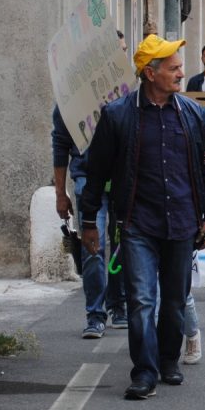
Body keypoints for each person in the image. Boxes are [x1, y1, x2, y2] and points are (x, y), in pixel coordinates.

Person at [79, 36, 205, 400]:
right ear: (149, 73)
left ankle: (168, 360)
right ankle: (143, 371)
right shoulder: (117, 116)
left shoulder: (193, 114)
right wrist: (89, 221)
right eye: (173, 68)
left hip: (183, 222)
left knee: (174, 299)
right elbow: (96, 174)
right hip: (137, 223)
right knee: (141, 299)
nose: (181, 73)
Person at [52, 105, 128, 336]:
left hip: (120, 181)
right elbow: (60, 147)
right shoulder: (70, 100)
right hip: (87, 179)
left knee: (122, 246)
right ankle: (95, 314)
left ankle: (118, 306)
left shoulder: (123, 96)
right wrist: (60, 194)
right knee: (94, 248)